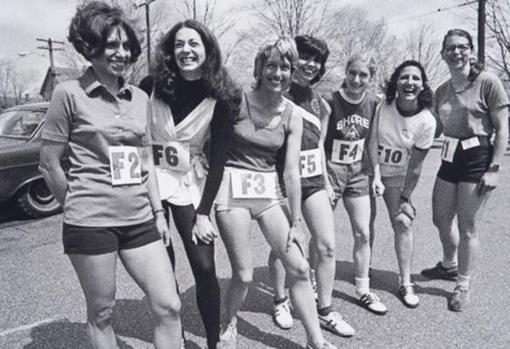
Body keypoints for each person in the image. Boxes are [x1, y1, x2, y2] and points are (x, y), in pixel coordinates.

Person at [38, 2, 182, 348]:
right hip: (90, 222)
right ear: (90, 46)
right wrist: (76, 206)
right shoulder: (67, 94)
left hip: (140, 219)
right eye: (111, 44)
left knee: (169, 305)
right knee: (102, 314)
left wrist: (159, 213)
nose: (121, 53)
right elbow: (49, 163)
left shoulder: (140, 98)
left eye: (126, 45)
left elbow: (146, 159)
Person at [194, 37, 336, 349]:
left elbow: (290, 170)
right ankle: (228, 322)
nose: (278, 72)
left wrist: (296, 220)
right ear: (260, 68)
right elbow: (215, 154)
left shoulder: (292, 114)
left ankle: (316, 340)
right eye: (271, 65)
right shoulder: (236, 100)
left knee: (299, 267)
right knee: (244, 274)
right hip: (232, 192)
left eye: (285, 67)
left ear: (291, 71)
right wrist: (202, 210)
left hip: (268, 192)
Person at [145, 19, 241, 349]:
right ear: (171, 51)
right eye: (179, 44)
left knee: (203, 263)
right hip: (152, 181)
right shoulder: (151, 84)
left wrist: (203, 213)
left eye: (194, 43)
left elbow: (219, 158)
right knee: (162, 263)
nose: (186, 50)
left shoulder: (223, 94)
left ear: (207, 49)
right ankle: (176, 335)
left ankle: (213, 342)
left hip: (191, 181)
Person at [267, 35, 356, 337]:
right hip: (281, 181)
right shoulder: (276, 91)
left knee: (327, 246)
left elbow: (318, 143)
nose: (311, 64)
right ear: (292, 57)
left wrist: (328, 181)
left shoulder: (319, 100)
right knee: (286, 246)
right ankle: (280, 300)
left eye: (317, 60)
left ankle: (326, 310)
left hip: (314, 180)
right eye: (305, 56)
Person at [421, 29, 509, 311]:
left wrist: (494, 168)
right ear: (443, 54)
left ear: (471, 51)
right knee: (440, 217)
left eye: (462, 47)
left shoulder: (488, 82)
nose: (456, 52)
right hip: (449, 155)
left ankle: (462, 284)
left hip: (477, 156)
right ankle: (449, 264)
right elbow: (432, 126)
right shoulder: (441, 91)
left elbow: (502, 128)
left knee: (467, 225)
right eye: (450, 48)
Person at [322, 53, 388, 316]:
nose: (357, 80)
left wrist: (377, 175)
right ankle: (316, 284)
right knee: (322, 235)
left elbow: (372, 140)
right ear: (345, 73)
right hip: (331, 169)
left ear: (370, 79)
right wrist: (323, 178)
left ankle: (363, 288)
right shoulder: (330, 99)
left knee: (363, 233)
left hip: (359, 172)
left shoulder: (373, 103)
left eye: (363, 75)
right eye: (353, 73)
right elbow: (320, 140)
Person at [369, 60, 436, 309]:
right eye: (404, 77)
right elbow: (370, 139)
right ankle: (364, 269)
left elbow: (416, 166)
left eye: (416, 78)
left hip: (396, 176)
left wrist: (406, 197)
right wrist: (373, 173)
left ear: (422, 85)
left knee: (403, 222)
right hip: (368, 169)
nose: (410, 82)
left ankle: (406, 281)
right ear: (396, 82)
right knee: (364, 223)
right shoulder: (382, 105)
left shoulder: (427, 121)